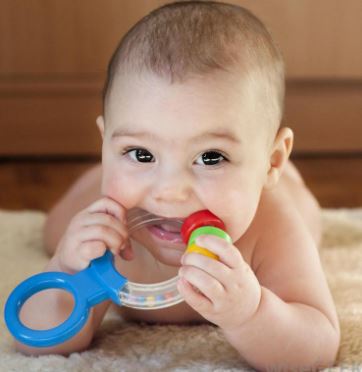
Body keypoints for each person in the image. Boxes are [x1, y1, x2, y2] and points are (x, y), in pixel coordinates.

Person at [15, 1, 340, 369]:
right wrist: (67, 270)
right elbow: (38, 339)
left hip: (277, 195)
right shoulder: (110, 236)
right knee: (57, 230)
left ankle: (276, 171)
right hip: (116, 196)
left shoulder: (272, 230)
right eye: (139, 153)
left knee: (306, 216)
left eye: (211, 157)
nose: (169, 192)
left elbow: (318, 345)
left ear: (272, 161)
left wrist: (252, 313)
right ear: (106, 144)